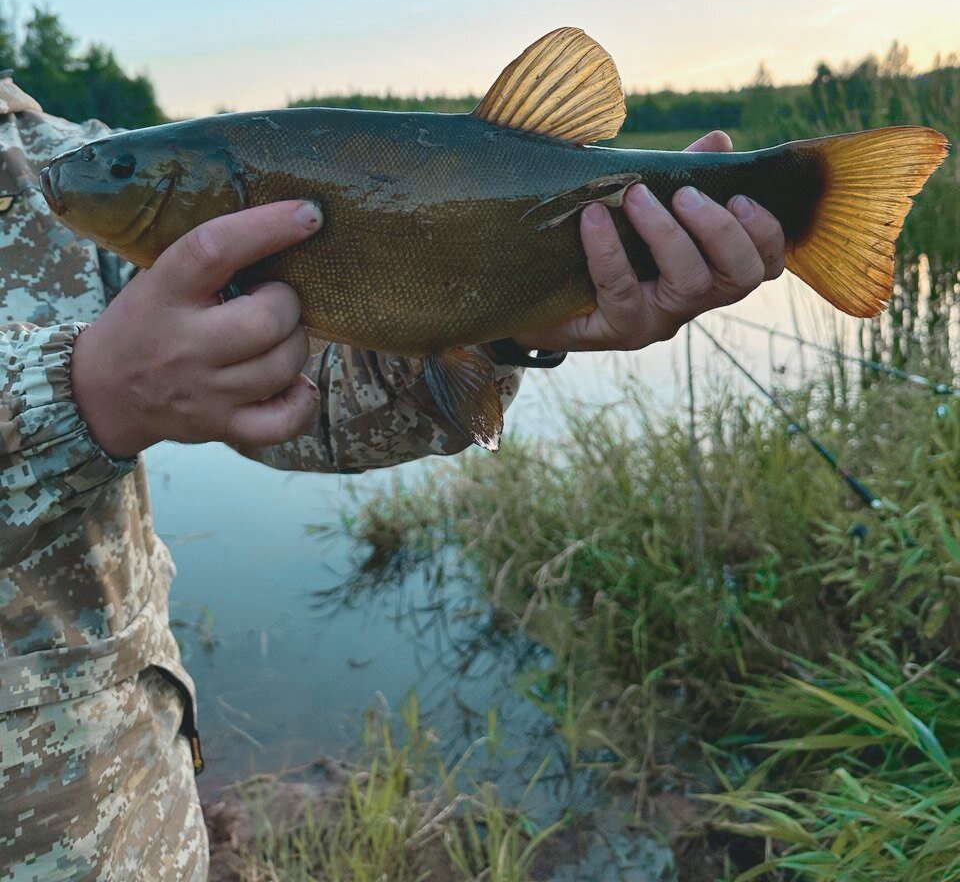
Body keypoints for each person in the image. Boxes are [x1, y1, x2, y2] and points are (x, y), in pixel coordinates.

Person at [0, 73, 785, 881]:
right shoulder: (117, 178)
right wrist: (84, 389)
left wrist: (505, 323)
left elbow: (311, 404)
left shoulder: (59, 160)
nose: (95, 179)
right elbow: (126, 377)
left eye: (122, 173)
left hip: (130, 818)